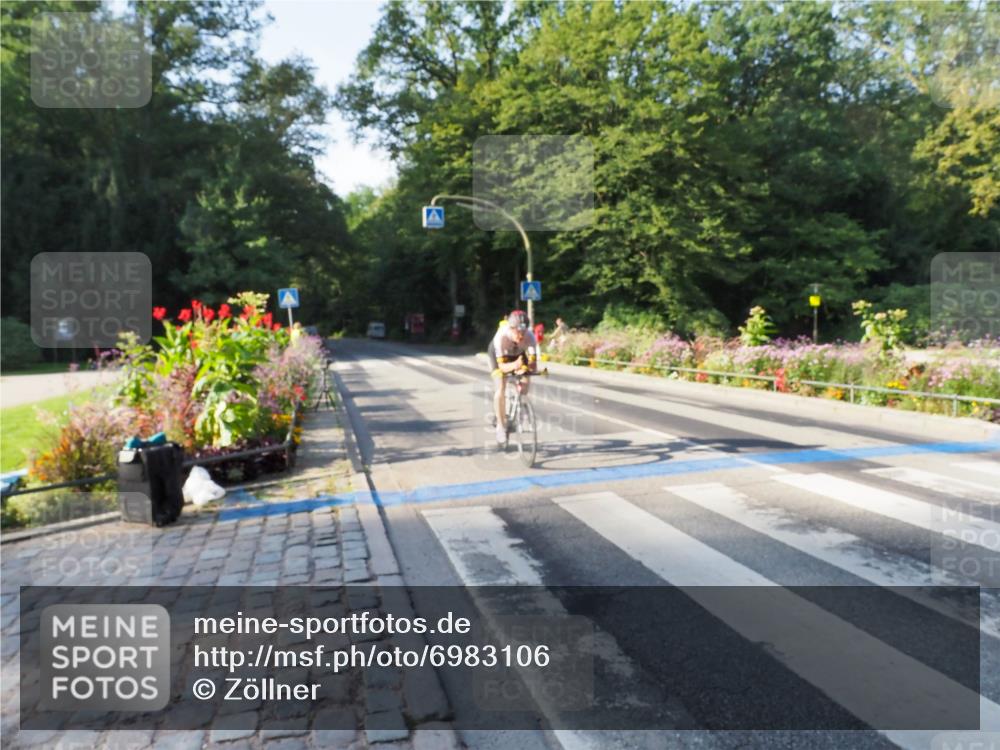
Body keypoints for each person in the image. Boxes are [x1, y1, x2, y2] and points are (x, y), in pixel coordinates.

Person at [487, 310, 538, 446]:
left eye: (523, 332)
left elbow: (533, 364)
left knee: (526, 378)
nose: (521, 336)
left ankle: (520, 406)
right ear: (511, 328)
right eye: (517, 332)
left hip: (518, 353)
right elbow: (502, 367)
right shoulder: (501, 337)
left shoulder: (530, 337)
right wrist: (515, 365)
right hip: (500, 356)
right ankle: (500, 426)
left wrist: (526, 368)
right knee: (501, 386)